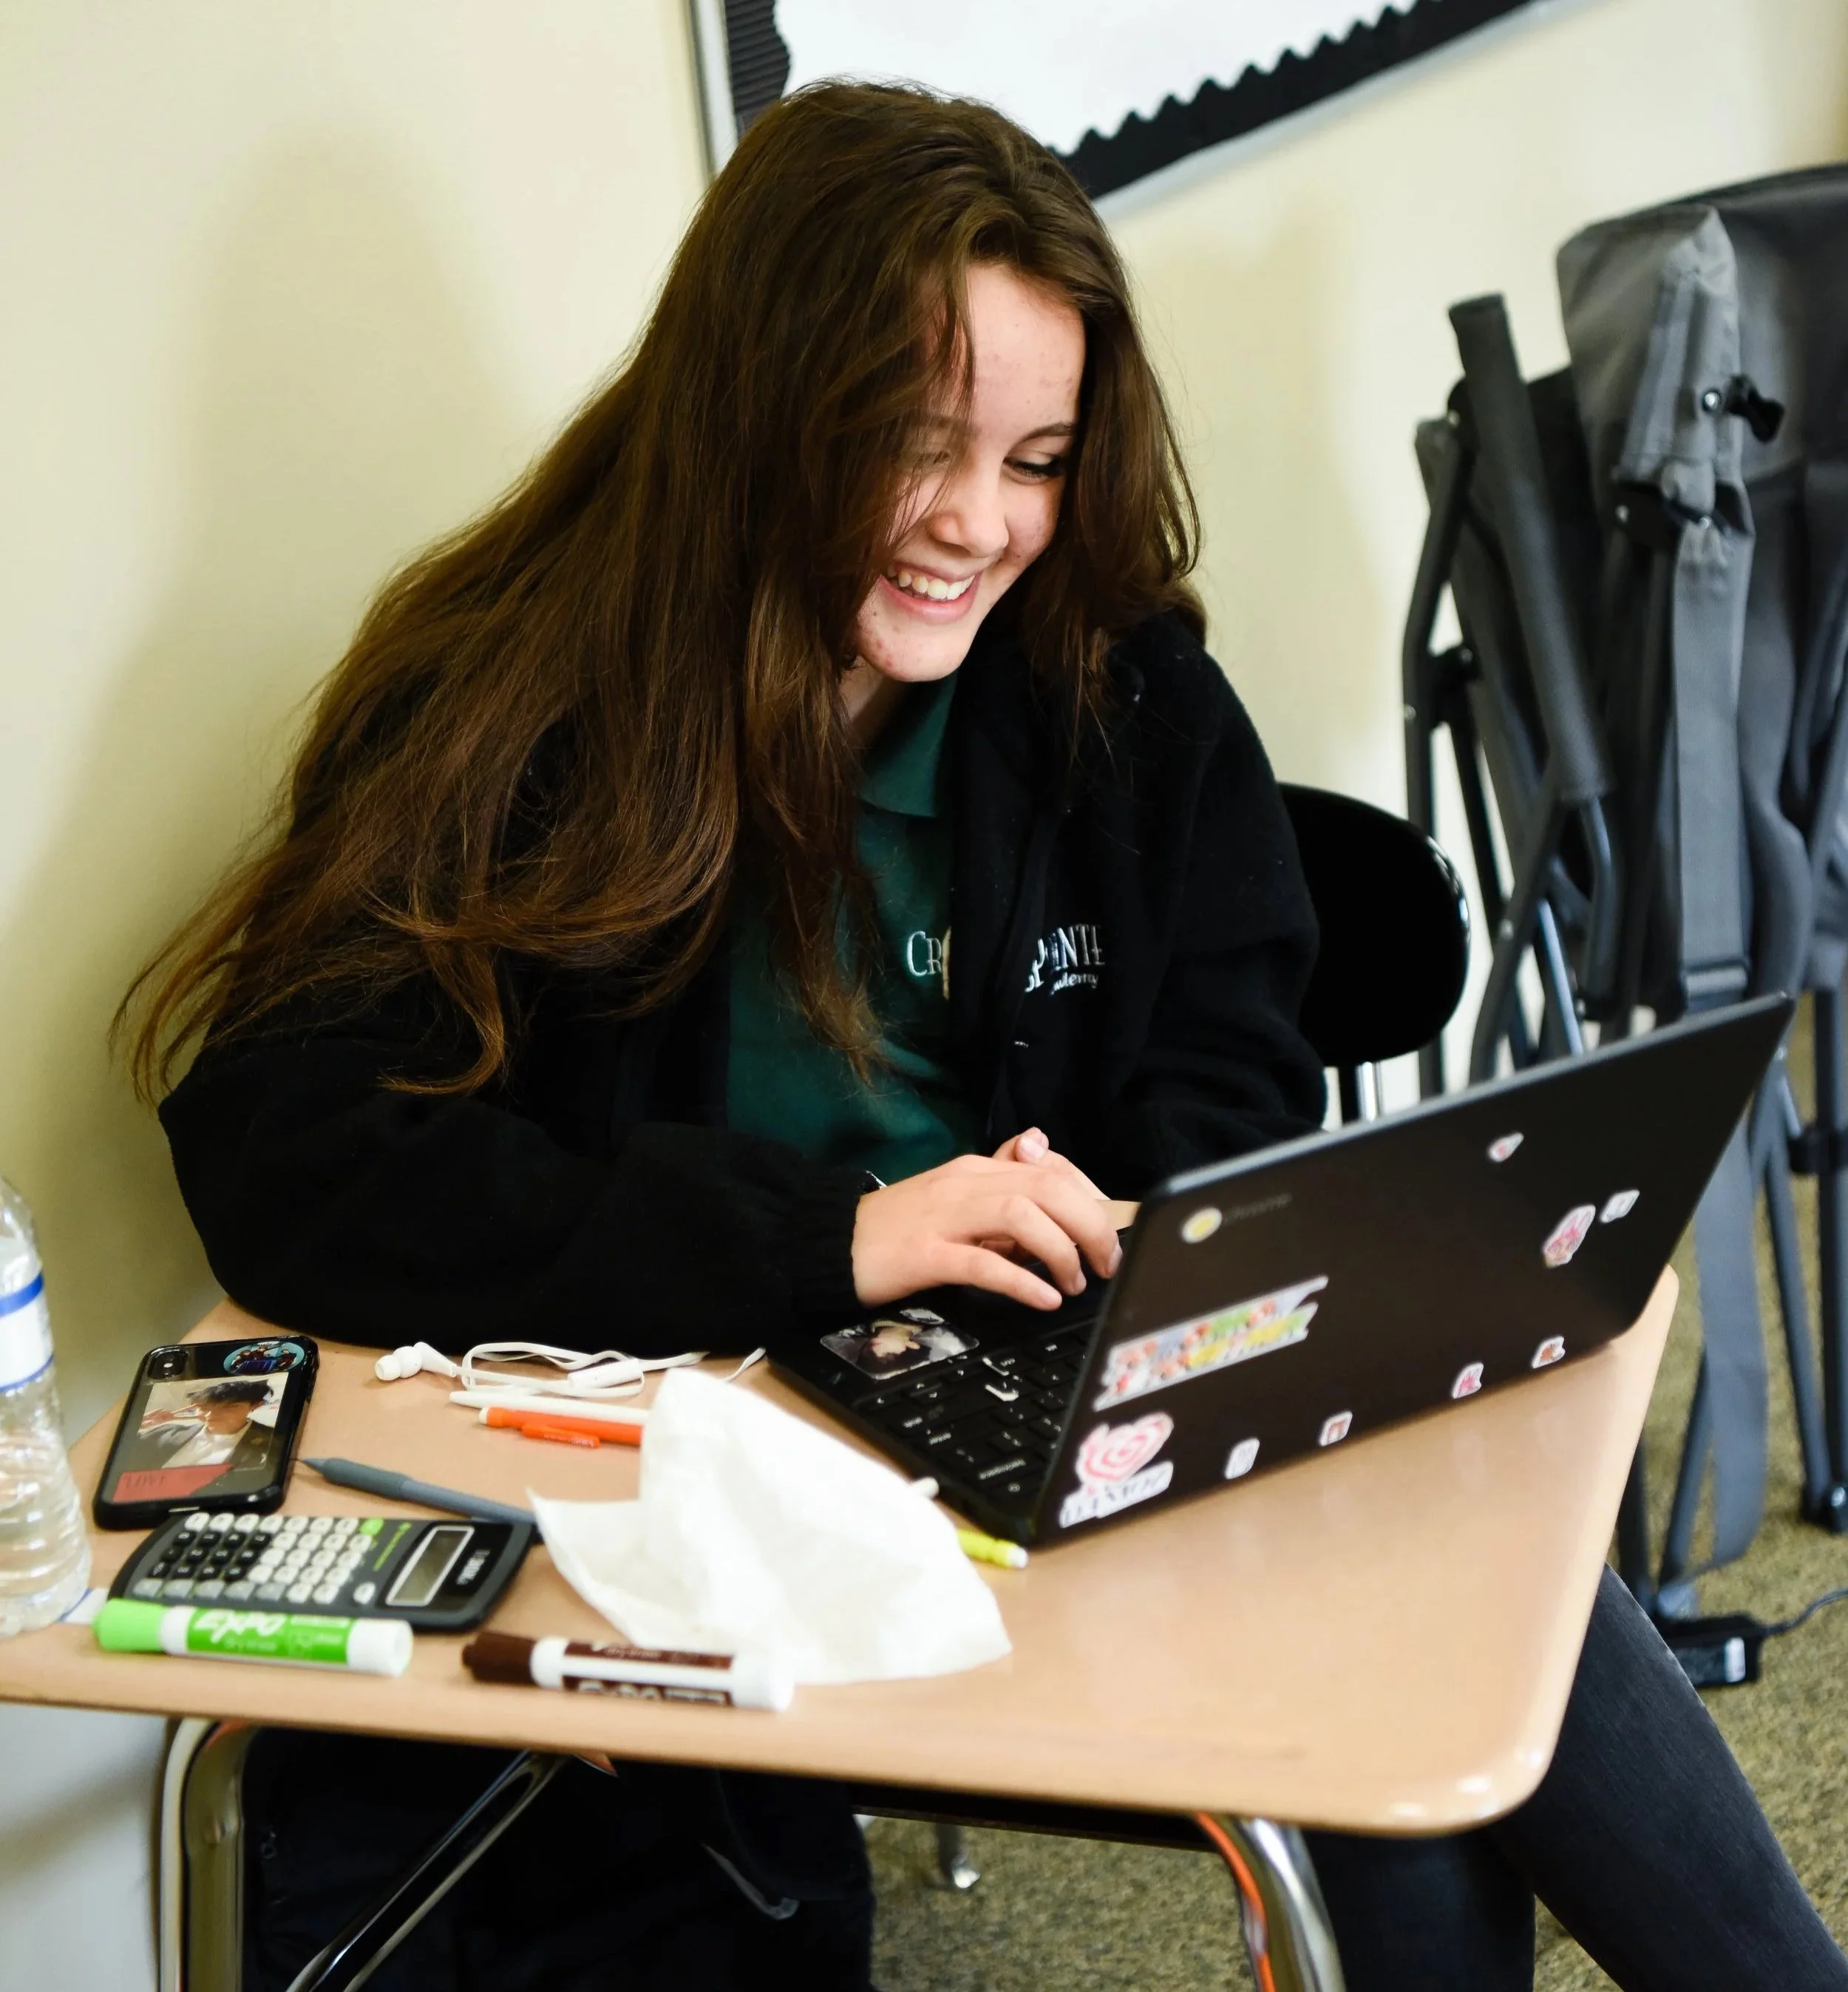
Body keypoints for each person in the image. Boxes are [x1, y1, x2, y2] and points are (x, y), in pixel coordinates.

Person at [123, 81, 1845, 1992]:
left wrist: (1114, 1208)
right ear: (754, 414)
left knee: (1450, 1689)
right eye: (915, 445)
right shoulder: (509, 703)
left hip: (1040, 1376)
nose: (980, 524)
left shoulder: (1118, 692)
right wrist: (822, 1242)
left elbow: (1235, 1073)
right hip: (699, 1451)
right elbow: (289, 1152)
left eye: (1036, 457)